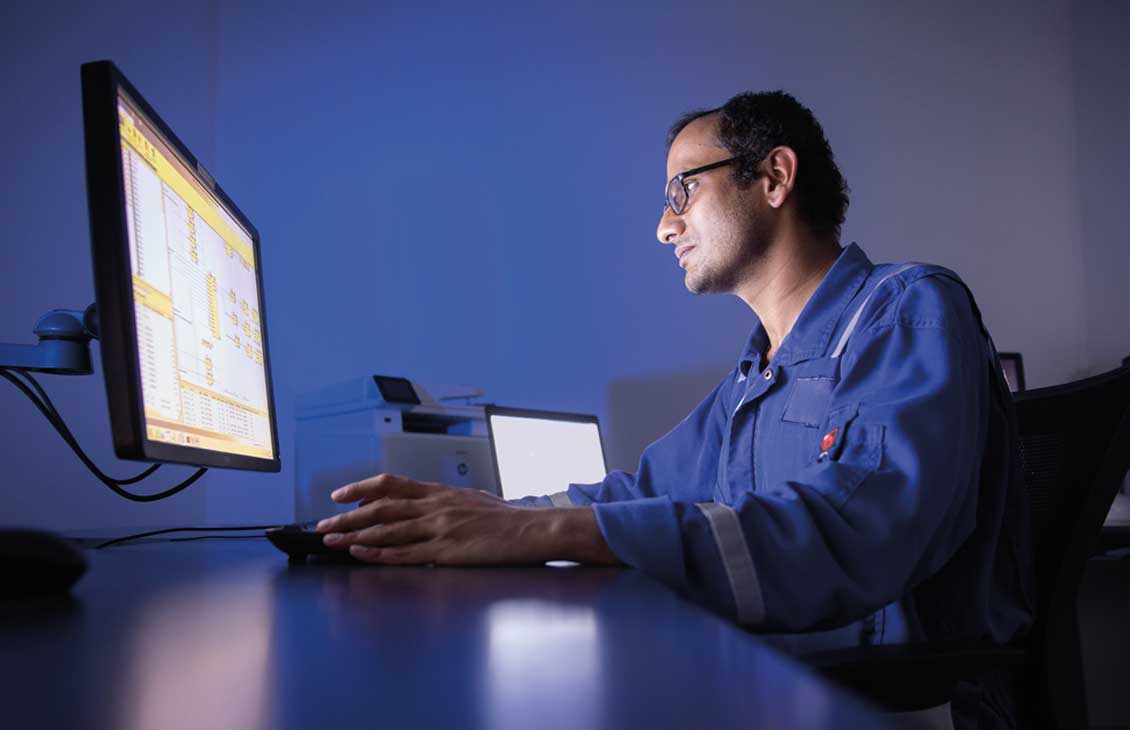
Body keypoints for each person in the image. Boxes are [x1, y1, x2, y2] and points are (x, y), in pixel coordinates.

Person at [316, 91, 1034, 727]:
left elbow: (857, 532)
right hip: (794, 677)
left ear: (775, 177)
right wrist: (484, 517)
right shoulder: (756, 377)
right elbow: (641, 492)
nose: (665, 227)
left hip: (904, 702)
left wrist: (562, 533)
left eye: (682, 191)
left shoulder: (907, 309)